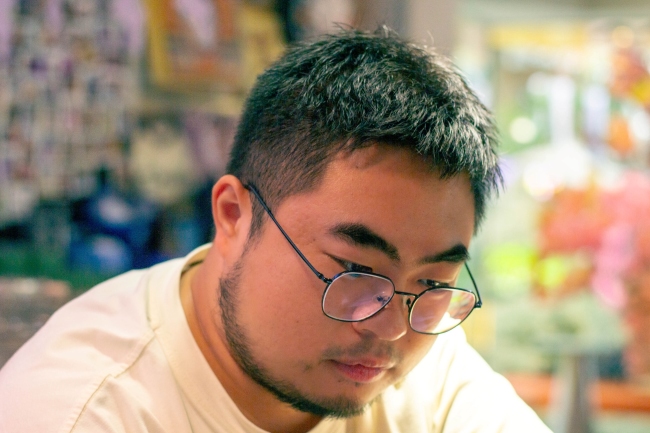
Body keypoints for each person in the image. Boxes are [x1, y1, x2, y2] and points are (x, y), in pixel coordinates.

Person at [0, 28, 552, 433]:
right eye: (356, 270)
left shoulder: (424, 348)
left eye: (433, 282)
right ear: (233, 216)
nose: (390, 330)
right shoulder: (81, 411)